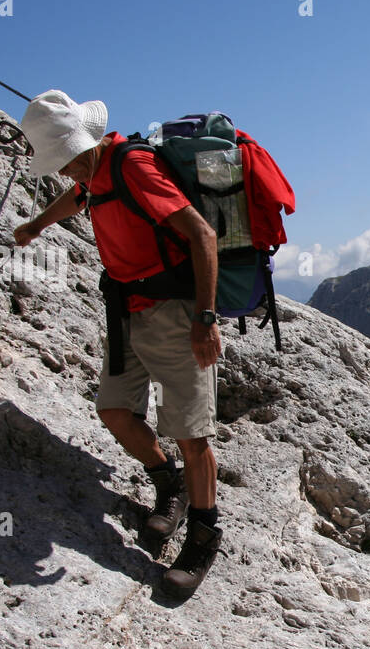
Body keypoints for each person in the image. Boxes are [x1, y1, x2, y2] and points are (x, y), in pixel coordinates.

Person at [14, 90, 222, 600]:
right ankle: (166, 483)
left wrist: (205, 319)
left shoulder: (132, 168)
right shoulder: (94, 173)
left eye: (65, 162)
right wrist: (37, 225)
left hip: (174, 313)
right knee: (114, 411)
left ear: (85, 145)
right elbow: (80, 197)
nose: (64, 173)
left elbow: (202, 235)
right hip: (125, 310)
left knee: (192, 435)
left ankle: (202, 537)